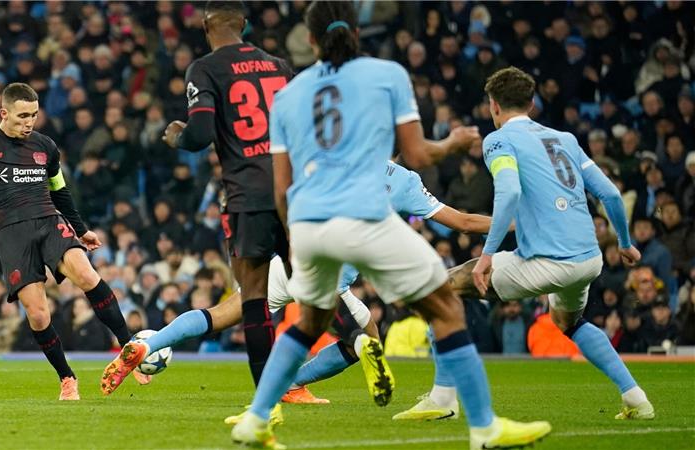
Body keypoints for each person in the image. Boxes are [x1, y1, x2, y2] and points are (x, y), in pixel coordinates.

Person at [228, 3, 548, 448]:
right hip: (363, 214)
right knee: (447, 305)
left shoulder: (288, 94)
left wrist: (292, 241)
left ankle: (257, 418)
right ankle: (484, 428)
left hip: (308, 223)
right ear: (357, 32)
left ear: (312, 40)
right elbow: (416, 155)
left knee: (310, 323)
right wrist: (453, 144)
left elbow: (281, 185)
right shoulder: (387, 75)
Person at [99, 160, 498, 406]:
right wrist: (510, 223)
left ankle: (148, 343)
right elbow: (462, 222)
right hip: (331, 277)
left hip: (292, 260)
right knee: (364, 337)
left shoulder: (329, 162)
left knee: (224, 313)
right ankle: (297, 379)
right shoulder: (405, 182)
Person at [102, 0, 294, 399]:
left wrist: (178, 135)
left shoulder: (205, 68)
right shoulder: (280, 66)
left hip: (248, 194)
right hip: (294, 191)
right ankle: (359, 340)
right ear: (243, 24)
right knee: (316, 287)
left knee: (253, 298)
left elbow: (202, 131)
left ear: (206, 27)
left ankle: (267, 403)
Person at [445, 67, 654, 421]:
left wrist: (487, 255)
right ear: (531, 104)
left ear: (493, 106)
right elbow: (611, 194)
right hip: (589, 259)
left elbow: (509, 190)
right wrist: (625, 242)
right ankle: (636, 398)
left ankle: (441, 398)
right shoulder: (566, 139)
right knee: (570, 322)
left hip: (548, 261)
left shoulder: (498, 140)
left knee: (444, 287)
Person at [0, 82, 147, 401]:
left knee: (86, 275)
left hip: (48, 220)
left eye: (34, 115)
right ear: (4, 113)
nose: (29, 122)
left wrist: (80, 229)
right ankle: (67, 378)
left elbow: (60, 190)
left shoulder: (46, 146)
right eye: (22, 116)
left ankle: (130, 349)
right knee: (39, 314)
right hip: (11, 233)